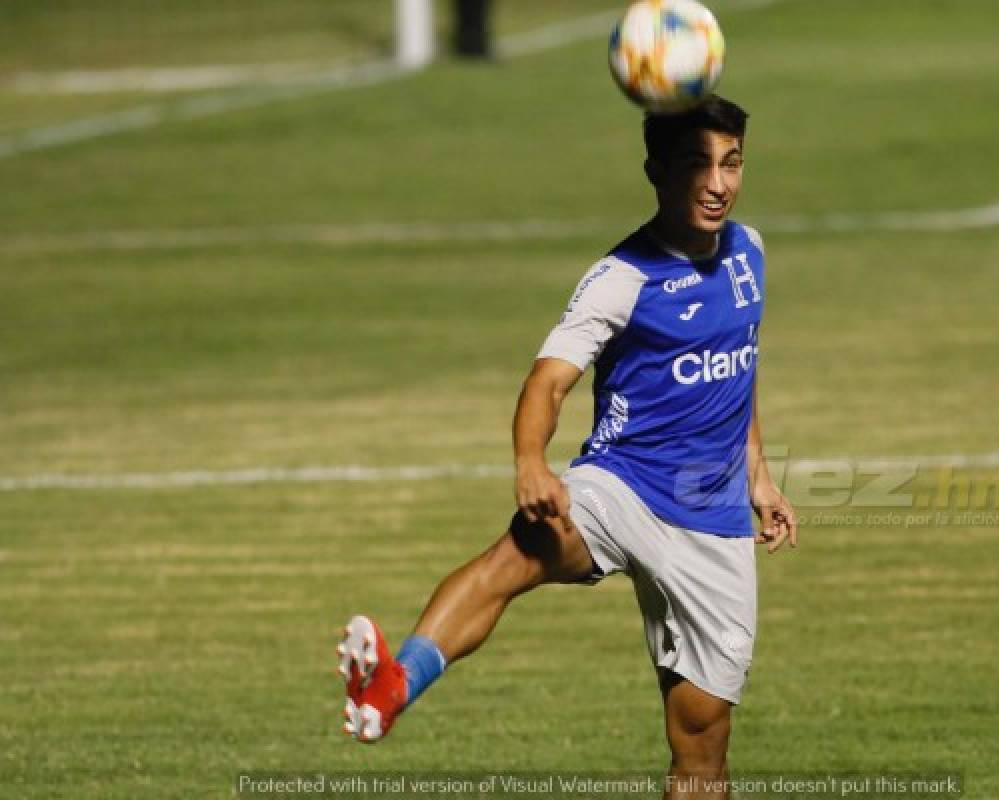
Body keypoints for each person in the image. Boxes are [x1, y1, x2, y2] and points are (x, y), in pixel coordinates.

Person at [336, 94, 796, 799]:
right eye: (697, 164)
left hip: (713, 525)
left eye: (731, 163)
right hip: (623, 487)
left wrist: (759, 475)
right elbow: (547, 384)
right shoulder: (620, 279)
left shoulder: (749, 252)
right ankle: (396, 685)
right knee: (514, 556)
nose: (718, 184)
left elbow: (740, 360)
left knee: (701, 748)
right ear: (655, 171)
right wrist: (530, 462)